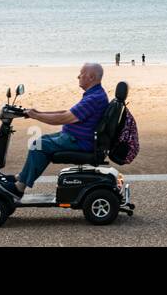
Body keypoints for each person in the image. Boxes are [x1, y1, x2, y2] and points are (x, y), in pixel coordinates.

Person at [9, 63, 109, 196]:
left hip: (78, 141)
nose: (77, 76)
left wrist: (36, 116)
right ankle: (22, 177)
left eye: (81, 74)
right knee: (41, 141)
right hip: (74, 137)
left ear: (91, 77)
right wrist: (39, 112)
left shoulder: (93, 99)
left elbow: (63, 118)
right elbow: (67, 112)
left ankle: (19, 188)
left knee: (38, 145)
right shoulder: (95, 94)